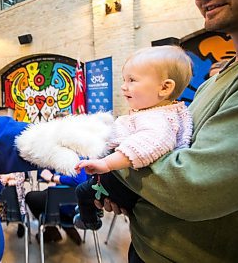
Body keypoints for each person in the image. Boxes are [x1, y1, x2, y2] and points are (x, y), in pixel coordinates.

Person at [95, 0, 238, 261]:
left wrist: (111, 161)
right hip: (147, 245)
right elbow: (174, 154)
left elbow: (192, 187)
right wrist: (125, 192)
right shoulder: (216, 79)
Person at [74, 46, 193, 230]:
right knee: (88, 191)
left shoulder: (160, 120)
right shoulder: (151, 112)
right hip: (124, 180)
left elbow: (145, 144)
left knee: (82, 191)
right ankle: (92, 208)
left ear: (164, 87)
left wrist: (106, 164)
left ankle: (89, 221)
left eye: (132, 80)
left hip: (127, 184)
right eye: (124, 79)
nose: (123, 86)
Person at [25, 168, 88, 245]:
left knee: (31, 197)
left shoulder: (81, 160)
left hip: (73, 206)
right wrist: (44, 170)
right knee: (41, 197)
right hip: (70, 203)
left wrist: (52, 177)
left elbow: (79, 180)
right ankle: (64, 228)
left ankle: (51, 230)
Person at [0, 172, 27, 237]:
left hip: (16, 189)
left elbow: (22, 176)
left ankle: (19, 219)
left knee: (12, 190)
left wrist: (9, 176)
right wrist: (5, 178)